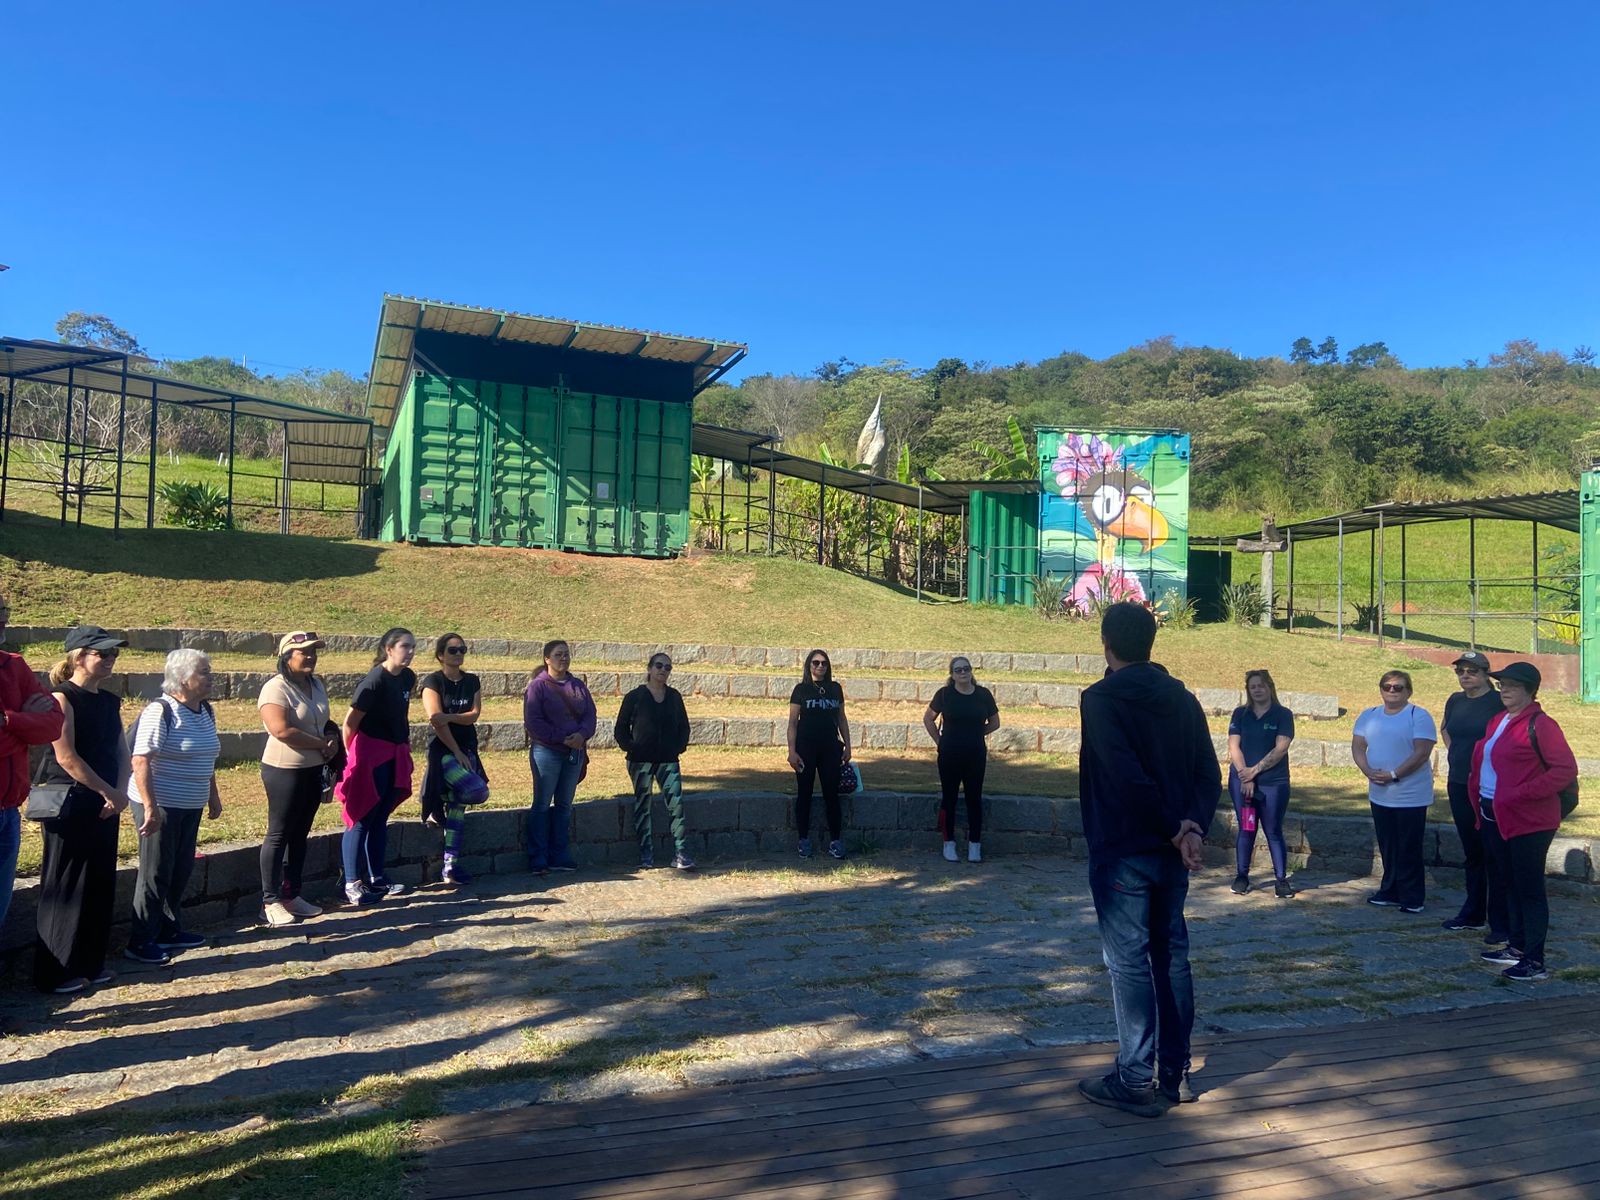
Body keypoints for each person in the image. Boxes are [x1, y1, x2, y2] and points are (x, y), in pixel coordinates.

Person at [1076, 602, 1220, 1118]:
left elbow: (1122, 774)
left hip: (1124, 849)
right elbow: (1209, 773)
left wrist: (1175, 827)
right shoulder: (1183, 698)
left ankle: (1136, 1077)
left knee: (1129, 962)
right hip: (1174, 849)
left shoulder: (1100, 699)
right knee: (1171, 957)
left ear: (1106, 644)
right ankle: (1175, 1074)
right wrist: (1192, 826)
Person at [35, 626, 130, 994]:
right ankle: (55, 971)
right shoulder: (61, 698)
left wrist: (120, 794)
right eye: (102, 654)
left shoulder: (109, 701)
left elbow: (121, 751)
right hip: (72, 802)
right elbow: (66, 756)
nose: (109, 660)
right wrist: (107, 791)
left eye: (113, 655)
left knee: (99, 882)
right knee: (66, 884)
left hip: (106, 803)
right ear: (78, 657)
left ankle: (91, 961)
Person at [1469, 661, 1576, 982]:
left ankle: (1535, 960)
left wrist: (1521, 793)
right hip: (1495, 814)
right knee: (1509, 883)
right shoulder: (1498, 720)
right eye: (1502, 684)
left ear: (1531, 691)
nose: (1505, 690)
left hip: (1530, 819)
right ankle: (1516, 946)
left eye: (1513, 686)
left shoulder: (1542, 725)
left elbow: (1564, 770)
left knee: (1529, 889)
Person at [125, 649, 222, 963]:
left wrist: (213, 795)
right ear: (182, 679)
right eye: (204, 672)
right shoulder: (161, 711)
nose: (210, 678)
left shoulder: (205, 710)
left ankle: (168, 929)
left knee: (180, 868)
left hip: (190, 804)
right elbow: (140, 760)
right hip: (161, 804)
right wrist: (151, 807)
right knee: (155, 872)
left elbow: (207, 757)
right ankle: (140, 940)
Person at [258, 631, 339, 926]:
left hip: (313, 768)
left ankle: (292, 894)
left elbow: (322, 720)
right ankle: (270, 900)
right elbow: (281, 730)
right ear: (286, 656)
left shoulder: (316, 684)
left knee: (299, 835)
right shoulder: (275, 688)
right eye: (304, 652)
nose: (311, 657)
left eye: (314, 651)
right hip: (284, 770)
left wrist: (330, 736)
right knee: (279, 833)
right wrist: (321, 745)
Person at [335, 628, 417, 905]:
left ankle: (376, 878)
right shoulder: (374, 681)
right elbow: (349, 723)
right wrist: (352, 758)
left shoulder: (408, 677)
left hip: (394, 752)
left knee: (381, 817)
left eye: (413, 647)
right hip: (370, 756)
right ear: (388, 648)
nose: (410, 651)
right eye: (405, 646)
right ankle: (351, 883)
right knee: (362, 816)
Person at [0, 595, 65, 933]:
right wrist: (24, 722)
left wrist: (7, 722)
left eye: (3, 614)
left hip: (9, 811)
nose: (3, 623)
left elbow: (53, 723)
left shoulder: (13, 665)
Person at [1351, 670, 1437, 914]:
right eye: (1386, 686)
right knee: (1387, 845)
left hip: (1410, 795)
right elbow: (1358, 746)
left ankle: (1412, 897)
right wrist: (1367, 769)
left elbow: (1421, 752)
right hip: (1380, 793)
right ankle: (1389, 890)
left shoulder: (1418, 716)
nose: (1391, 690)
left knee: (1409, 846)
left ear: (1408, 691)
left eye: (1398, 687)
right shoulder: (1369, 715)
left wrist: (1395, 774)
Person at [1438, 651, 1507, 941]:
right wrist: (1457, 756)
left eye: (1472, 671)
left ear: (1486, 674)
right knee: (1472, 850)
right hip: (1458, 783)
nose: (1466, 676)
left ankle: (1501, 919)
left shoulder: (1497, 702)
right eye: (1461, 671)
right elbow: (1446, 729)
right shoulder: (1455, 700)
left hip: (1489, 787)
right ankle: (1473, 911)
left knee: (1494, 851)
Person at [615, 653, 695, 870]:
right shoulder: (635, 696)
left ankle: (680, 851)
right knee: (643, 806)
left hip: (668, 761)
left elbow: (684, 726)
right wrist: (632, 747)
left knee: (676, 805)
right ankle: (646, 853)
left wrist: (678, 747)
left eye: (667, 667)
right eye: (659, 665)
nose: (663, 670)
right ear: (649, 668)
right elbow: (621, 728)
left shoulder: (674, 697)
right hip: (640, 762)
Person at [420, 632, 488, 886]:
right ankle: (442, 797)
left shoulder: (472, 681)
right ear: (441, 655)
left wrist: (449, 716)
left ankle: (450, 867)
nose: (458, 654)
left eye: (462, 649)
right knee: (477, 791)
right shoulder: (432, 681)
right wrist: (456, 751)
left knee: (458, 807)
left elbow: (474, 715)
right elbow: (435, 721)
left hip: (468, 748)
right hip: (444, 752)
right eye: (453, 650)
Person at [524, 640, 595, 874]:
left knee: (564, 804)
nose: (563, 658)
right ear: (547, 659)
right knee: (542, 804)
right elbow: (533, 723)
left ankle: (560, 854)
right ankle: (538, 856)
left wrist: (582, 735)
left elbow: (590, 715)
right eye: (558, 654)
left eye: (566, 654)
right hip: (547, 752)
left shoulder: (578, 686)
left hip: (573, 752)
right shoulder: (538, 687)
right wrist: (562, 737)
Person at [922, 655, 1000, 864]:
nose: (963, 673)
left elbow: (995, 722)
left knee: (974, 798)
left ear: (971, 671)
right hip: (949, 753)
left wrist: (975, 733)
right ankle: (949, 843)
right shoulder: (945, 694)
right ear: (952, 674)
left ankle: (975, 845)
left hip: (975, 753)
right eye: (958, 670)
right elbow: (928, 718)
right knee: (950, 797)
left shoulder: (983, 695)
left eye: (966, 669)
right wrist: (939, 740)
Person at [1226, 670, 1296, 898]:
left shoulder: (1282, 714)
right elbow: (1234, 746)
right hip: (1242, 783)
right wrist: (1243, 775)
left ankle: (1281, 879)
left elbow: (1281, 748)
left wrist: (1253, 772)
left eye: (1261, 685)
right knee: (1246, 828)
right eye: (1252, 686)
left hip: (1272, 783)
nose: (1257, 690)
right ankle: (1242, 876)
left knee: (1273, 829)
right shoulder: (1240, 714)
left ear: (1270, 687)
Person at [787, 649, 852, 861]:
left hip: (830, 748)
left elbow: (842, 719)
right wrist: (792, 751)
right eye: (816, 663)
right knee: (804, 793)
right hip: (806, 748)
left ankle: (835, 840)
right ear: (809, 666)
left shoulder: (835, 689)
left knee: (831, 794)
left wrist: (848, 747)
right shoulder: (801, 690)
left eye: (824, 663)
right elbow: (792, 722)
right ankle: (803, 839)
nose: (820, 666)